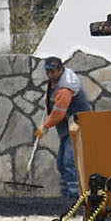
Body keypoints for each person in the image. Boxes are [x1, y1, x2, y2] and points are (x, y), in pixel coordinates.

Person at [37, 55, 83, 200]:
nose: (49, 74)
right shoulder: (54, 82)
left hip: (76, 124)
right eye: (47, 71)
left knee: (69, 160)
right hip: (66, 127)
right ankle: (64, 193)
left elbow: (58, 113)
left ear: (60, 69)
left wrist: (45, 127)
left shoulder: (65, 88)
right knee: (61, 161)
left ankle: (74, 195)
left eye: (52, 71)